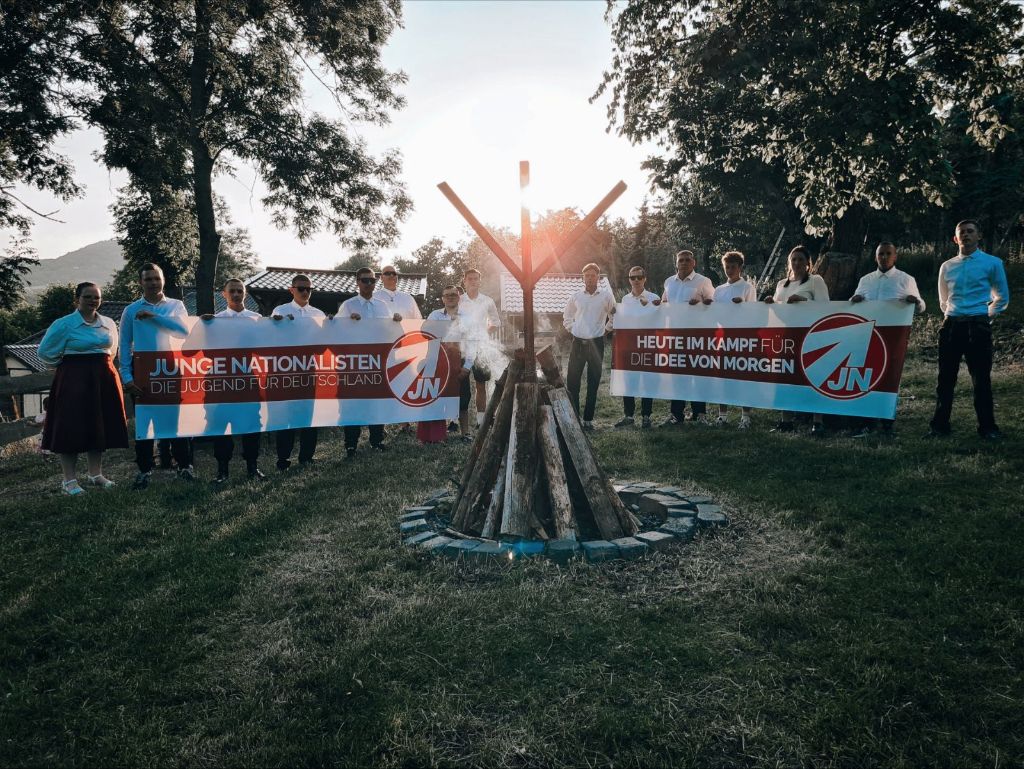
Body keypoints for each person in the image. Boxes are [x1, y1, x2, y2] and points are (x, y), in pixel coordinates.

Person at [38, 282, 129, 495]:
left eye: (96, 297)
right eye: (87, 297)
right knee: (71, 426)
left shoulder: (108, 323)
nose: (92, 301)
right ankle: (69, 481)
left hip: (103, 377)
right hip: (74, 379)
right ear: (77, 299)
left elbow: (112, 350)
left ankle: (95, 474)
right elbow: (45, 352)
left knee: (99, 424)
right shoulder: (64, 324)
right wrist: (69, 368)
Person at [928, 219, 1010, 440]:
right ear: (955, 238)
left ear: (978, 235)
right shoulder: (947, 266)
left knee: (981, 379)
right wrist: (954, 315)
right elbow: (943, 301)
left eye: (970, 231)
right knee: (945, 379)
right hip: (952, 325)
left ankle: (988, 428)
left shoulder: (992, 263)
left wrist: (983, 316)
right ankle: (939, 427)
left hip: (978, 325)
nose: (966, 235)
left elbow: (1002, 298)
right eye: (961, 232)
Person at [119, 263, 194, 489]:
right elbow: (124, 343)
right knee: (144, 424)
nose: (153, 282)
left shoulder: (176, 305)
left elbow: (183, 331)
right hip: (142, 371)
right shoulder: (130, 310)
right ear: (141, 282)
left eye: (156, 278)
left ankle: (184, 467)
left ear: (163, 280)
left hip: (171, 369)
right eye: (148, 279)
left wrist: (154, 317)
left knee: (176, 421)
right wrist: (126, 375)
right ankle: (144, 470)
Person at [849, 242, 926, 437]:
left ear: (895, 256)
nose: (884, 257)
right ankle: (866, 423)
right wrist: (855, 300)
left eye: (888, 254)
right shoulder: (866, 280)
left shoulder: (906, 279)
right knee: (866, 377)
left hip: (892, 338)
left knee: (889, 379)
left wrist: (914, 302)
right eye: (880, 254)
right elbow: (854, 302)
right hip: (867, 336)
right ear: (876, 257)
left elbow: (921, 305)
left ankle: (887, 424)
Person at [200, 279, 266, 482]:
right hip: (221, 379)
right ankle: (222, 471)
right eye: (233, 291)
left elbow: (265, 347)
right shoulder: (214, 320)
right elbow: (204, 350)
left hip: (247, 377)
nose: (237, 294)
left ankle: (252, 468)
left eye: (240, 291)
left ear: (245, 294)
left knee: (252, 424)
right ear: (224, 294)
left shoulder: (256, 319)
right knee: (220, 424)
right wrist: (203, 325)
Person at [764, 246, 830, 435]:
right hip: (786, 337)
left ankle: (817, 421)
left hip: (809, 335)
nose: (797, 263)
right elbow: (780, 309)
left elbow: (825, 308)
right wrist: (771, 303)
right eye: (794, 260)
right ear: (789, 263)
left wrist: (803, 301)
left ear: (808, 263)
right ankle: (786, 421)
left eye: (801, 259)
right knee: (786, 377)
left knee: (813, 376)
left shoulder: (816, 281)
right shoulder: (781, 284)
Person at [340, 267, 402, 457]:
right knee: (353, 403)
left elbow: (390, 331)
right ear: (357, 282)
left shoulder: (383, 305)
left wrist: (397, 321)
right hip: (356, 362)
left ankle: (377, 440)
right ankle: (351, 444)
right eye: (365, 280)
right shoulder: (348, 305)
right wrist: (347, 322)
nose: (369, 284)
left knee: (377, 400)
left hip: (377, 361)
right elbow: (337, 332)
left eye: (372, 281)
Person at [271, 274, 325, 469]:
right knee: (286, 415)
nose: (305, 292)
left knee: (309, 415)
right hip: (286, 371)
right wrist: (278, 322)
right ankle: (283, 459)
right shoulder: (280, 310)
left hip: (309, 369)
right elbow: (274, 337)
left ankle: (306, 457)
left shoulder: (319, 314)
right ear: (291, 290)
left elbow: (322, 345)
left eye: (308, 289)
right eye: (301, 288)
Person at [660, 249, 714, 426]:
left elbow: (714, 304)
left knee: (698, 374)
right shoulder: (669, 282)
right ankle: (677, 414)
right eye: (680, 260)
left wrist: (701, 304)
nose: (683, 263)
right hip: (675, 336)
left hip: (697, 335)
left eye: (687, 260)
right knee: (677, 375)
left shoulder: (703, 281)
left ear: (694, 262)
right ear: (676, 263)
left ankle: (700, 414)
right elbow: (663, 304)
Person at [563, 263, 616, 431]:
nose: (590, 278)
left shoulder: (606, 296)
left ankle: (588, 420)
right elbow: (567, 316)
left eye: (593, 275)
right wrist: (573, 329)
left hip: (596, 344)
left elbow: (614, 315)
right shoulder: (576, 296)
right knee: (573, 383)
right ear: (583, 277)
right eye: (587, 275)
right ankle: (575, 418)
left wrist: (606, 331)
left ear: (598, 277)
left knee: (593, 383)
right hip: (578, 343)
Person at [712, 251, 757, 429]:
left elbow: (754, 313)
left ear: (740, 268)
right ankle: (722, 415)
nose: (729, 270)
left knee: (743, 376)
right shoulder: (719, 290)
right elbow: (714, 314)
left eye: (733, 267)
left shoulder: (747, 288)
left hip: (742, 337)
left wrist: (743, 306)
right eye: (727, 267)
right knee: (723, 375)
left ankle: (745, 416)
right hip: (724, 336)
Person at [424, 285, 475, 441]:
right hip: (438, 360)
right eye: (447, 295)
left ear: (459, 297)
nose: (450, 297)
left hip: (459, 361)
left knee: (463, 399)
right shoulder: (434, 315)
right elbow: (425, 334)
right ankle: (437, 434)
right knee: (437, 398)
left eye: (453, 294)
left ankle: (465, 433)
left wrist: (467, 367)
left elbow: (472, 343)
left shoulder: (467, 317)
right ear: (442, 298)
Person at [614, 265, 659, 429]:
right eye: (633, 277)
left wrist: (649, 306)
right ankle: (629, 416)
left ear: (645, 278)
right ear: (629, 280)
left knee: (648, 380)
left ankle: (646, 416)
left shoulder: (654, 297)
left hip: (648, 345)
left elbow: (659, 318)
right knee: (629, 380)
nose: (636, 280)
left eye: (639, 277)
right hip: (629, 345)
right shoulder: (625, 300)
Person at [458, 268, 500, 426]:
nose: (474, 281)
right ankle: (457, 420)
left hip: (481, 347)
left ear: (480, 281)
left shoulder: (487, 301)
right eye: (470, 279)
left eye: (476, 279)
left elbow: (496, 322)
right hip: (462, 347)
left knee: (481, 384)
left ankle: (481, 420)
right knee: (460, 385)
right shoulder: (459, 300)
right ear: (464, 281)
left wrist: (484, 332)